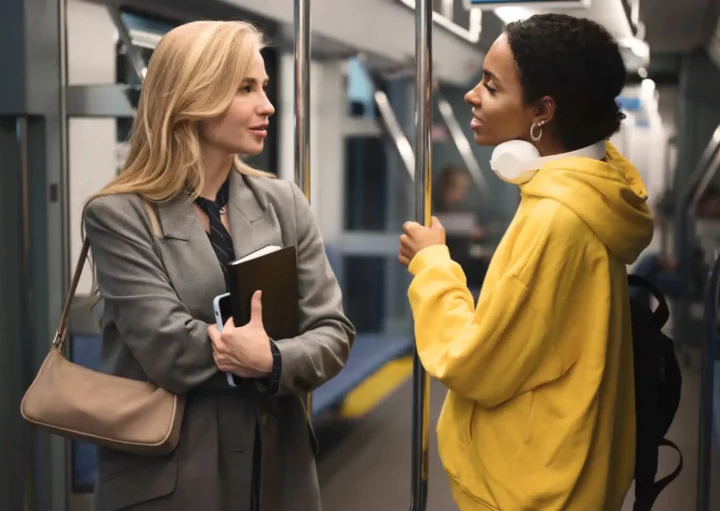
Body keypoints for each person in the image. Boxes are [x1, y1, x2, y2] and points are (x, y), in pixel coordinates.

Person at [82, 21, 355, 511]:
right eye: (245, 89)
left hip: (278, 474)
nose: (267, 106)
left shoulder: (283, 202)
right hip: (173, 477)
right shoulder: (119, 215)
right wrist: (255, 350)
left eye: (264, 88)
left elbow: (332, 332)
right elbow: (167, 346)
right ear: (193, 96)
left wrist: (272, 360)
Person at [398, 14, 654, 511]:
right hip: (575, 471)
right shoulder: (594, 193)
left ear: (542, 110)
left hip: (530, 491)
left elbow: (474, 365)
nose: (472, 95)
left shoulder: (554, 221)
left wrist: (432, 266)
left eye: (491, 88)